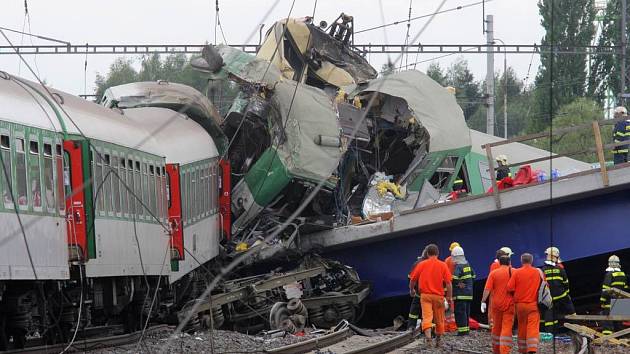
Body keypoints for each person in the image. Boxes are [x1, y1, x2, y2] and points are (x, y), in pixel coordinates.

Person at [409, 244, 453, 348]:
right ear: (438, 253)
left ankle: (428, 339)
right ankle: (438, 340)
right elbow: (448, 283)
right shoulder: (443, 265)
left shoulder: (422, 264)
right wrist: (449, 297)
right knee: (439, 319)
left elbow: (413, 280)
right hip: (438, 296)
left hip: (425, 296)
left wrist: (411, 290)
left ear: (427, 253)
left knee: (427, 317)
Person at [507, 253, 541, 354]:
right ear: (532, 261)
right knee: (532, 326)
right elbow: (545, 286)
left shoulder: (517, 272)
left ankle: (522, 349)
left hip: (520, 305)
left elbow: (510, 287)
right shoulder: (537, 272)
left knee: (522, 326)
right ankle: (532, 349)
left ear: (522, 261)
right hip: (533, 304)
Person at [481, 254, 514, 354]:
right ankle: (504, 351)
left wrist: (483, 301)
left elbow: (487, 289)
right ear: (509, 262)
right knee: (506, 328)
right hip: (510, 305)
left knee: (496, 328)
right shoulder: (514, 272)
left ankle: (496, 350)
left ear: (499, 263)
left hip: (496, 305)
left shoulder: (494, 273)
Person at [539, 247, 575, 333]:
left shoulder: (542, 270)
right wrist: (566, 294)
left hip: (549, 300)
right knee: (572, 313)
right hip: (562, 298)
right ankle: (575, 331)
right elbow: (566, 283)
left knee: (550, 319)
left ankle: (550, 335)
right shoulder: (560, 269)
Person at [600, 255, 629, 335]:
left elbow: (605, 289)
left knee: (607, 321)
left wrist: (602, 301)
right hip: (621, 301)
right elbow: (625, 287)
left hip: (610, 301)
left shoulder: (609, 274)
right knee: (619, 322)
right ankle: (622, 337)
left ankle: (607, 338)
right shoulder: (623, 274)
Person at [451, 246, 476, 335]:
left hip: (460, 295)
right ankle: (466, 330)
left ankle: (462, 332)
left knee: (460, 313)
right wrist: (469, 284)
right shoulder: (467, 264)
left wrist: (459, 283)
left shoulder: (458, 266)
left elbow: (454, 279)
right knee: (466, 313)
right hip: (469, 294)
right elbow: (473, 276)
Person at [488, 247, 513, 329]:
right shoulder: (497, 266)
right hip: (500, 291)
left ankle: (495, 325)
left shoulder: (494, 265)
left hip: (498, 291)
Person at [407, 246, 429, 330]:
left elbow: (410, 277)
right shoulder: (432, 263)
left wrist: (412, 289)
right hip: (429, 292)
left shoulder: (417, 263)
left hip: (419, 291)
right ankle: (428, 330)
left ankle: (411, 327)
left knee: (414, 310)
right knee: (427, 312)